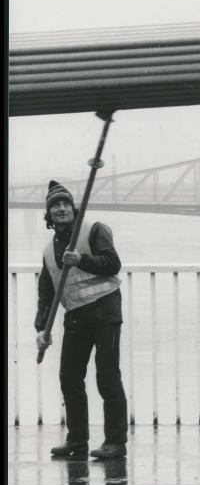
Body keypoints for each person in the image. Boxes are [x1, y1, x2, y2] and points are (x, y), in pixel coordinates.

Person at [35, 180, 128, 460]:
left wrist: (81, 260)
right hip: (76, 316)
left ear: (74, 209)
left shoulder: (95, 230)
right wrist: (41, 329)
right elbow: (47, 293)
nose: (62, 209)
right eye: (56, 206)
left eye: (66, 204)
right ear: (49, 214)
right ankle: (77, 440)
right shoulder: (48, 251)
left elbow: (113, 264)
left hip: (104, 311)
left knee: (107, 376)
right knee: (70, 377)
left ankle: (115, 442)